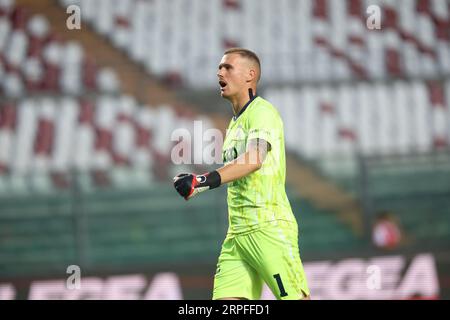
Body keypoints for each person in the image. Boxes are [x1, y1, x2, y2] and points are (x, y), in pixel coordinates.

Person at [173, 48, 310, 300]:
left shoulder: (262, 112)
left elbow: (254, 159)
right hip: (237, 236)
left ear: (250, 75)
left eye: (227, 67)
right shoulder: (236, 122)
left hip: (267, 228)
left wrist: (201, 181)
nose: (219, 72)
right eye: (219, 67)